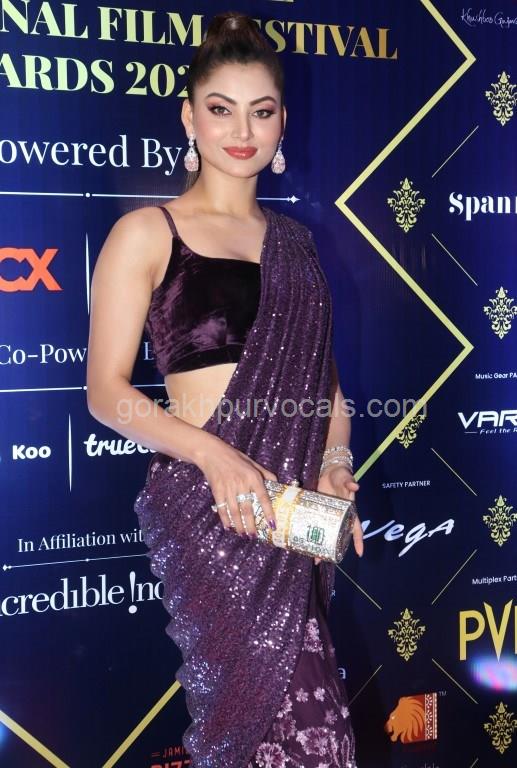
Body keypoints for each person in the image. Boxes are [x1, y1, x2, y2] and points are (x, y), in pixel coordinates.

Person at [86, 10, 363, 768]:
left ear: (282, 123)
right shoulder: (148, 233)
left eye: (261, 111)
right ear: (189, 118)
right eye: (221, 108)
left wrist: (335, 464)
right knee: (276, 728)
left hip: (293, 515)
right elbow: (105, 392)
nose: (242, 130)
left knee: (311, 732)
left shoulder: (299, 245)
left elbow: (327, 387)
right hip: (210, 511)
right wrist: (214, 456)